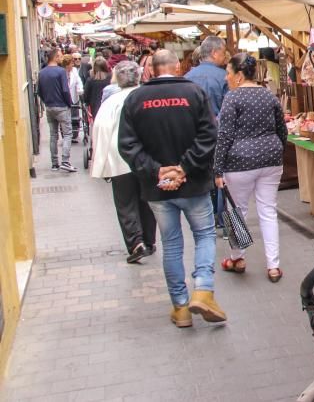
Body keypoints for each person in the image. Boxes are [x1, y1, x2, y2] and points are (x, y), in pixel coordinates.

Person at [118, 49, 226, 328]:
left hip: (158, 189)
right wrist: (185, 167)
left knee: (172, 244)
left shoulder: (135, 99)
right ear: (178, 66)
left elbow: (127, 145)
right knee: (203, 235)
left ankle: (180, 308)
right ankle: (203, 289)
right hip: (193, 184)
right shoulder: (194, 93)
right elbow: (209, 135)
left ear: (151, 69)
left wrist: (157, 170)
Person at [213, 52, 287, 282]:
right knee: (268, 211)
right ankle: (273, 265)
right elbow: (281, 129)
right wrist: (276, 149)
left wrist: (217, 168)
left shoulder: (232, 99)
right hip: (271, 159)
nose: (226, 77)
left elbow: (224, 135)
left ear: (238, 74)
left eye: (228, 72)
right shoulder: (268, 96)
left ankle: (237, 257)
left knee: (238, 210)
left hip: (239, 161)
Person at [91, 61, 157, 264]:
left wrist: (101, 165)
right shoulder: (147, 97)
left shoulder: (110, 102)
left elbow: (100, 131)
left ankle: (136, 242)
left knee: (126, 203)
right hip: (146, 158)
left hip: (119, 159)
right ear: (138, 76)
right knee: (146, 200)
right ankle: (149, 240)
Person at [37, 47, 76, 172]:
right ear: (55, 57)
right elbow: (65, 90)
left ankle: (54, 163)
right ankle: (65, 161)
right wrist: (69, 103)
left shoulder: (41, 72)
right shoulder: (60, 72)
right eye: (59, 55)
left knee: (53, 135)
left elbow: (39, 91)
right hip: (61, 106)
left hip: (49, 107)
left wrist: (46, 102)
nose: (61, 57)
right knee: (68, 133)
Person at [185, 36, 228, 116]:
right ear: (214, 53)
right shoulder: (225, 76)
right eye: (224, 52)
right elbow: (230, 108)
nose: (225, 56)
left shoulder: (186, 77)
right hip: (217, 125)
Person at [65, 54, 85, 143]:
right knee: (66, 118)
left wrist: (80, 89)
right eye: (72, 62)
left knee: (75, 116)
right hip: (64, 99)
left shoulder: (74, 71)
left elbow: (78, 81)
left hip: (74, 97)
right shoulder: (61, 72)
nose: (73, 64)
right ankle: (67, 134)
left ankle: (75, 135)